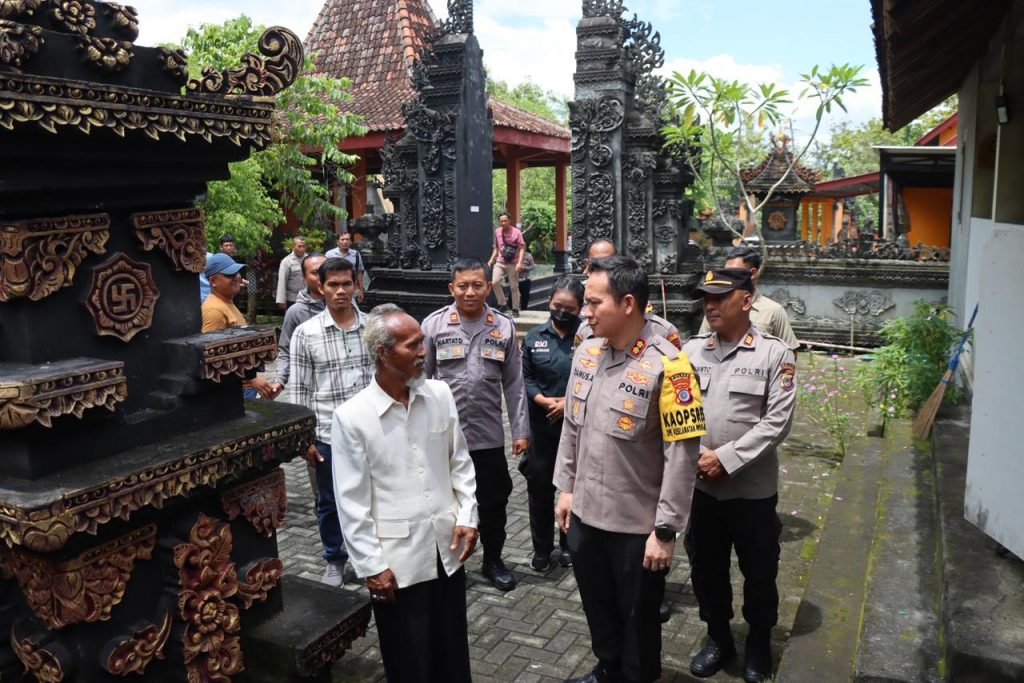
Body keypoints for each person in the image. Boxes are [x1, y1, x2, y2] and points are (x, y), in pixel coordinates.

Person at [554, 256, 703, 683]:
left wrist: (666, 530)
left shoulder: (672, 367)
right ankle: (607, 667)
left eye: (594, 303)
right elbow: (572, 427)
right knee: (598, 608)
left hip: (637, 529)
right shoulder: (586, 352)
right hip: (585, 514)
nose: (584, 312)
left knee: (638, 624)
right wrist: (565, 489)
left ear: (628, 303)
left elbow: (683, 455)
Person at [332, 304, 478, 683]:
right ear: (383, 353)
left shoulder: (439, 394)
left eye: (422, 343)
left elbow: (459, 462)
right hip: (396, 566)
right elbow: (351, 503)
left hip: (447, 551)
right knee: (410, 661)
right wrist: (371, 566)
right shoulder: (353, 417)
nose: (422, 352)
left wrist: (467, 517)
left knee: (452, 655)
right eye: (412, 345)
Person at [682, 267, 797, 683]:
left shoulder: (774, 354)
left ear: (746, 300)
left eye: (720, 297)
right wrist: (697, 457)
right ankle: (718, 637)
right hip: (700, 487)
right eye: (706, 298)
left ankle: (760, 640)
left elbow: (776, 423)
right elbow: (677, 415)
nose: (710, 305)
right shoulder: (692, 352)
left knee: (760, 570)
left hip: (752, 491)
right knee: (706, 566)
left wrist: (724, 458)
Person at [422, 258, 530, 591]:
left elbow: (514, 384)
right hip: (442, 438)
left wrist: (521, 431)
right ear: (451, 288)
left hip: (487, 438)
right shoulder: (433, 326)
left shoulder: (503, 327)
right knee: (444, 502)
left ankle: (493, 560)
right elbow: (421, 381)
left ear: (488, 286)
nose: (470, 292)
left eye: (477, 285)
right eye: (463, 286)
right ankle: (452, 564)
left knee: (494, 502)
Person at [288, 257, 374, 587]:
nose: (340, 291)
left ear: (356, 286)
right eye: (333, 285)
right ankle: (335, 559)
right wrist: (303, 439)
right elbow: (299, 390)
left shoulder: (372, 329)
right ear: (320, 288)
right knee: (329, 502)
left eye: (346, 284)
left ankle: (368, 558)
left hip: (371, 433)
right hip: (327, 434)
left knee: (372, 499)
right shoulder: (305, 334)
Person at [520, 276, 584, 571]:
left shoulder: (588, 338)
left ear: (580, 308)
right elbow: (527, 378)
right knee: (540, 490)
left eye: (569, 308)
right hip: (542, 428)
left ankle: (568, 546)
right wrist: (543, 401)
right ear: (549, 303)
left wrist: (567, 403)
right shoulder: (534, 337)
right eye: (558, 305)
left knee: (572, 489)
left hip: (576, 430)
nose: (562, 312)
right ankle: (542, 549)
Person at [268, 253, 326, 495]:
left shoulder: (347, 305)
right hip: (316, 401)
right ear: (304, 277)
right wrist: (280, 380)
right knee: (323, 487)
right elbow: (284, 350)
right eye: (314, 272)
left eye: (326, 269)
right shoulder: (297, 313)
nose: (321, 276)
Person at [575, 239, 682, 351]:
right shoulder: (584, 333)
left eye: (595, 302)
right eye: (595, 262)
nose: (587, 313)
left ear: (628, 303)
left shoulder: (663, 333)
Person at [201, 253, 274, 399]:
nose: (236, 277)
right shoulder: (214, 310)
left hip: (242, 386)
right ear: (213, 281)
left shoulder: (226, 302)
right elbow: (214, 360)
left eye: (236, 273)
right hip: (235, 390)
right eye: (229, 275)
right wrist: (251, 378)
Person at [698, 246, 799, 350]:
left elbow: (789, 351)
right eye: (726, 273)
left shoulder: (773, 311)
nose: (728, 278)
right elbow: (701, 345)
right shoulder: (715, 310)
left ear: (753, 274)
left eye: (735, 273)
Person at [486, 212, 526, 317]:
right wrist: (491, 259)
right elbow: (497, 248)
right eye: (501, 221)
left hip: (513, 263)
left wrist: (520, 263)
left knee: (514, 287)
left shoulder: (516, 232)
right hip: (500, 261)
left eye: (505, 221)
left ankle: (515, 308)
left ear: (509, 220)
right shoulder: (498, 231)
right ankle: (503, 304)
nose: (503, 223)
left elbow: (522, 248)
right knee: (495, 282)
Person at [325, 231, 366, 300]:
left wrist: (361, 289)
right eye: (342, 239)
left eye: (347, 239)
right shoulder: (330, 254)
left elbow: (359, 272)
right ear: (337, 242)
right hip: (334, 287)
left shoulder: (356, 254)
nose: (345, 242)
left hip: (351, 287)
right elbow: (325, 272)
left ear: (350, 242)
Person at [199, 233, 238, 303]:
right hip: (209, 296)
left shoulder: (211, 257)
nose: (229, 248)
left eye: (231, 245)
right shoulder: (213, 259)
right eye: (226, 245)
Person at [275, 236, 307, 310]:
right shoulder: (286, 261)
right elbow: (282, 281)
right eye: (299, 246)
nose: (302, 249)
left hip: (307, 297)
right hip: (293, 299)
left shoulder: (309, 259)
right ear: (293, 246)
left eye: (304, 246)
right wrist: (281, 300)